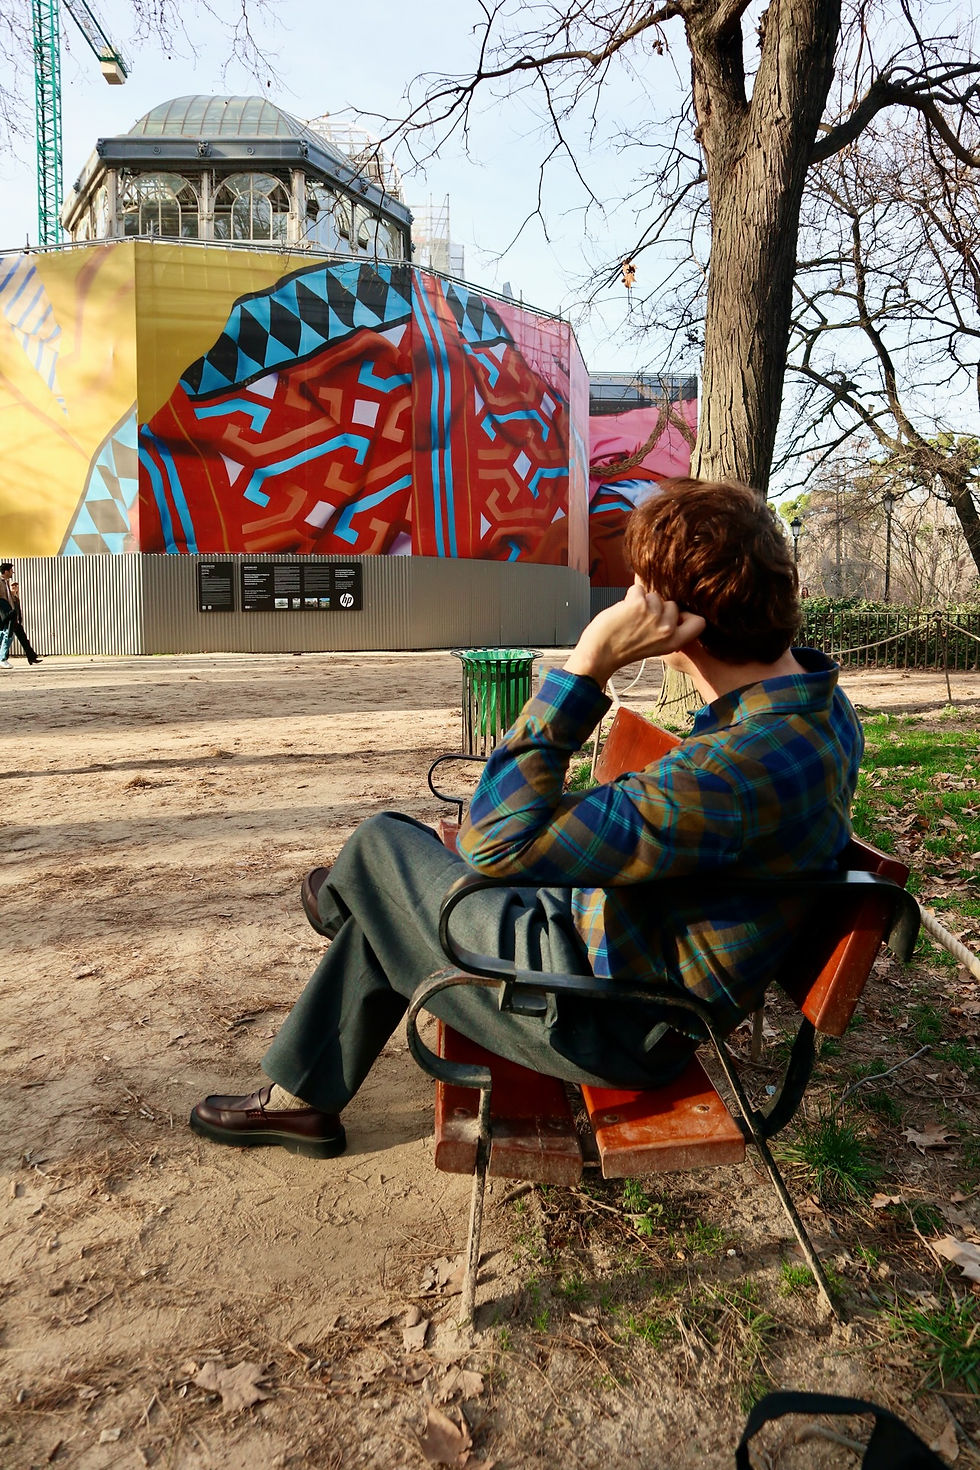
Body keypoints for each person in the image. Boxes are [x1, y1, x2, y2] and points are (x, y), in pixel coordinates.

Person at [190, 477, 864, 1160]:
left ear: (675, 617)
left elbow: (497, 839)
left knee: (378, 848)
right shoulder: (815, 709)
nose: (629, 601)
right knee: (387, 885)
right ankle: (303, 1094)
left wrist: (587, 665)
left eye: (639, 589)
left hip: (602, 1015)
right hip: (619, 955)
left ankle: (344, 912)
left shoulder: (729, 772)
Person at [7, 579, 40, 665]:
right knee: (6, 641)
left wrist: (20, 620)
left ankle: (32, 657)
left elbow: (18, 610)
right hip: (10, 623)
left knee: (24, 640)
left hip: (16, 623)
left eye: (16, 586)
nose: (15, 588)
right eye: (13, 586)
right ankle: (4, 658)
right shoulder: (9, 597)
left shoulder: (16, 598)